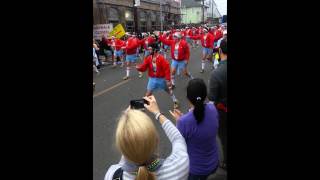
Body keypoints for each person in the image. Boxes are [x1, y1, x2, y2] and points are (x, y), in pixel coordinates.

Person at [104, 95, 189, 180]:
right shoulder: (178, 168)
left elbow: (127, 155)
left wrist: (127, 125)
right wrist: (157, 113)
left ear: (121, 147)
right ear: (156, 141)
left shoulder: (112, 175)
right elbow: (178, 139)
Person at [169, 78, 219, 180]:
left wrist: (179, 121)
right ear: (205, 95)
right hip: (214, 162)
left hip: (196, 171)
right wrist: (183, 118)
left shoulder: (184, 122)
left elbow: (179, 145)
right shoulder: (213, 109)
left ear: (188, 98)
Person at [136, 44, 179, 109]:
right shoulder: (148, 58)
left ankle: (175, 101)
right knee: (148, 93)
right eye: (149, 49)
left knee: (168, 90)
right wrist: (139, 68)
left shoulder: (161, 59)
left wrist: (168, 80)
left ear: (155, 50)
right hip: (152, 79)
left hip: (161, 79)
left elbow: (166, 69)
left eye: (150, 49)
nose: (149, 50)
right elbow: (144, 67)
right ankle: (143, 105)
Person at [208, 39, 227, 170]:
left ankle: (226, 161)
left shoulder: (217, 73)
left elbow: (212, 98)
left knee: (224, 136)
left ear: (220, 51)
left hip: (223, 112)